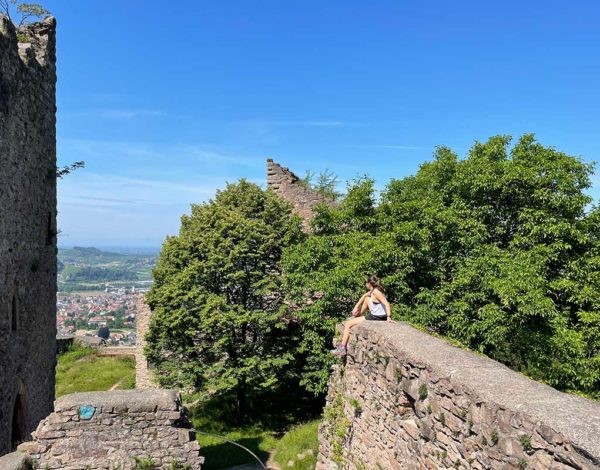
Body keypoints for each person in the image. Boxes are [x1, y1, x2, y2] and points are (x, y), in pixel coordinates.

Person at [331, 275, 391, 356]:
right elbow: (364, 296)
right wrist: (356, 307)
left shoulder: (376, 292)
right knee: (366, 299)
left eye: (366, 282)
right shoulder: (373, 291)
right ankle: (359, 314)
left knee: (348, 324)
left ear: (369, 283)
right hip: (377, 315)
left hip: (376, 317)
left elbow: (387, 303)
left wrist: (388, 317)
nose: (365, 284)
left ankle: (342, 348)